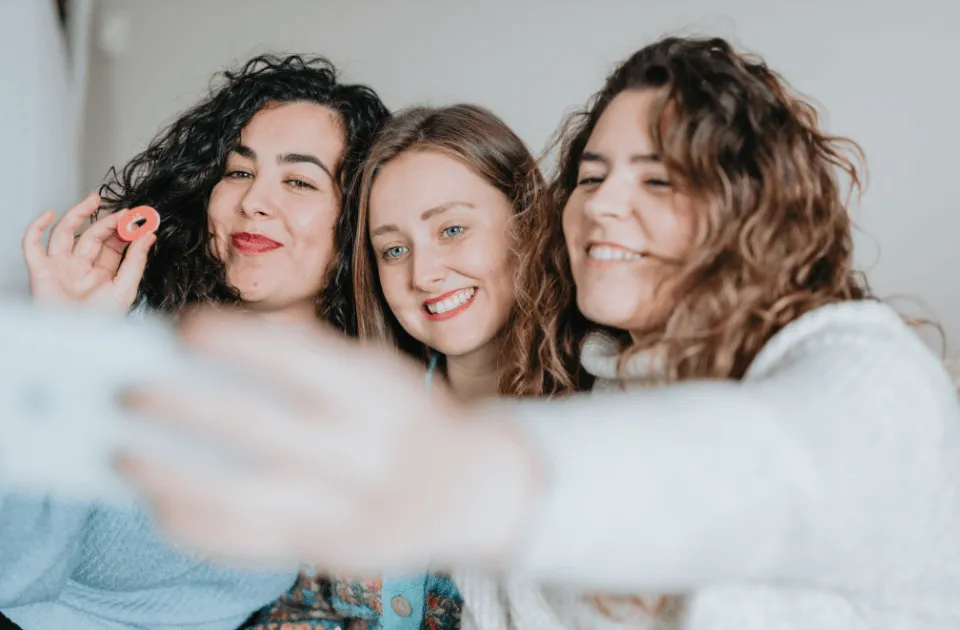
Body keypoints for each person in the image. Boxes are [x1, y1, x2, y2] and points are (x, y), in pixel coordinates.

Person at [120, 36, 960, 630]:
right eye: (590, 175)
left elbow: (767, 467)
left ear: (749, 204)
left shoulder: (865, 371)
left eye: (657, 176)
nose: (602, 202)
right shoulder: (611, 381)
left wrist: (471, 470)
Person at [5, 53, 390, 629]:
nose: (253, 201)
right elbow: (13, 578)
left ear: (356, 218)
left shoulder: (359, 394)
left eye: (298, 180)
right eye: (237, 171)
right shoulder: (127, 333)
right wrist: (70, 347)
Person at [242, 104, 585, 629]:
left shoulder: (594, 417)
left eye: (451, 230)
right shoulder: (358, 415)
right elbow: (296, 604)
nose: (424, 274)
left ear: (526, 220)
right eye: (395, 249)